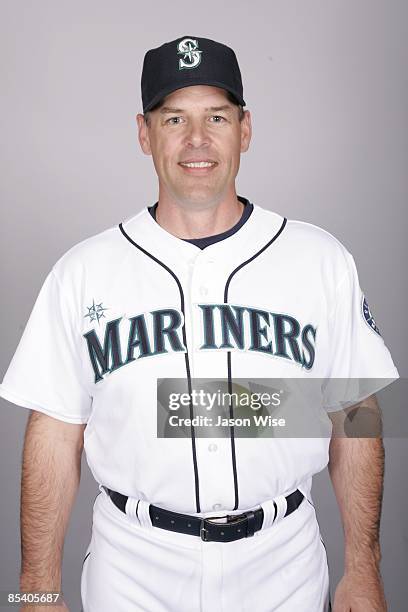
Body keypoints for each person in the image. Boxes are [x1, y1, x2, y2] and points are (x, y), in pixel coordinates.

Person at [0, 35, 399, 612]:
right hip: (133, 569)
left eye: (216, 116)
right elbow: (55, 434)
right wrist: (35, 590)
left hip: (282, 565)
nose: (197, 141)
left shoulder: (320, 260)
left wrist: (364, 569)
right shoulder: (83, 272)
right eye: (173, 119)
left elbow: (357, 411)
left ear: (245, 128)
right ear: (144, 133)